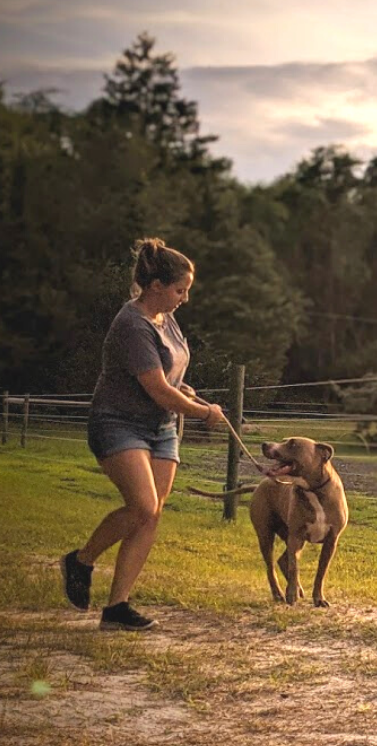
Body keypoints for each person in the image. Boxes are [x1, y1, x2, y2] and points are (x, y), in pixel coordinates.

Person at [60, 238, 223, 631]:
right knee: (142, 506)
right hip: (118, 423)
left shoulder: (164, 318)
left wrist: (184, 390)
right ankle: (80, 561)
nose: (184, 298)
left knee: (151, 516)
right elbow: (156, 389)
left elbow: (168, 377)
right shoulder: (132, 323)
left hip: (161, 427)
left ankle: (117, 608)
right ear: (155, 287)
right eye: (179, 289)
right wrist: (204, 412)